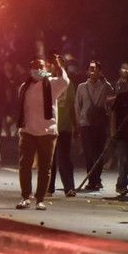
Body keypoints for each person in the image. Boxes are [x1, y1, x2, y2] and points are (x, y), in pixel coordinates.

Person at [16, 54, 69, 210]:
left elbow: (65, 81)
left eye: (41, 67)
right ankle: (25, 197)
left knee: (45, 168)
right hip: (28, 131)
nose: (38, 69)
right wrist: (21, 129)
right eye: (35, 66)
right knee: (24, 165)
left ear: (47, 69)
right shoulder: (24, 86)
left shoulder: (52, 84)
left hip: (47, 132)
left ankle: (40, 199)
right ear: (30, 69)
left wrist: (58, 65)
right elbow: (22, 110)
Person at [75, 61, 115, 192]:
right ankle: (92, 180)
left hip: (100, 124)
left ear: (100, 72)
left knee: (99, 153)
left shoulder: (105, 86)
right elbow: (77, 105)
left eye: (95, 69)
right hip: (86, 124)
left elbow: (112, 98)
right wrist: (78, 123)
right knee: (88, 153)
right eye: (90, 68)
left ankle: (97, 179)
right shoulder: (81, 87)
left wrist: (105, 81)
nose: (92, 71)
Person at [48, 56, 77, 198]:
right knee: (50, 159)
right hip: (50, 127)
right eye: (55, 65)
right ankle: (48, 187)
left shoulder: (69, 84)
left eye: (61, 65)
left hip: (65, 127)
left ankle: (69, 187)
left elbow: (72, 106)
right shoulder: (47, 82)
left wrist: (75, 125)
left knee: (65, 158)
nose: (58, 67)